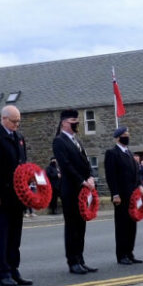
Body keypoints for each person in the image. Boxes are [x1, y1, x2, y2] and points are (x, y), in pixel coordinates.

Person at [0, 104, 33, 286]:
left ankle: (14, 269)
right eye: (14, 121)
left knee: (15, 236)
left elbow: (23, 164)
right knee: (3, 235)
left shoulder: (19, 137)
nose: (16, 125)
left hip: (17, 194)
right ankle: (3, 272)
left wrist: (27, 188)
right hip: (3, 195)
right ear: (4, 119)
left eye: (18, 121)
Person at [52, 109, 97, 275]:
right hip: (71, 189)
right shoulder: (59, 141)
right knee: (72, 227)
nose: (76, 123)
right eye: (73, 120)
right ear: (64, 122)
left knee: (81, 226)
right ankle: (73, 261)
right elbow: (66, 165)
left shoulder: (77, 140)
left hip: (83, 190)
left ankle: (80, 258)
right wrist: (82, 181)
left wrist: (91, 177)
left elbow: (85, 163)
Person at [103, 125, 142, 265]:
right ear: (118, 137)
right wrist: (115, 194)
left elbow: (136, 173)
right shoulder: (112, 153)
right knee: (122, 225)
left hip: (132, 195)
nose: (128, 136)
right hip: (121, 195)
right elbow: (111, 176)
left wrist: (140, 187)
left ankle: (130, 252)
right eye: (125, 134)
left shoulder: (129, 153)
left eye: (128, 133)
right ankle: (122, 255)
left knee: (132, 225)